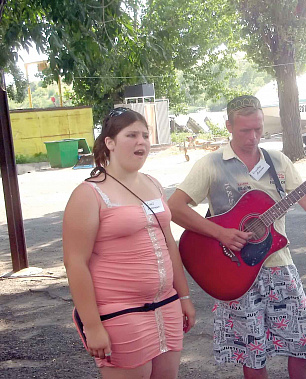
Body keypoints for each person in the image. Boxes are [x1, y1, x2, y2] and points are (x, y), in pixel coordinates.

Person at [167, 95, 306, 378]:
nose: (253, 137)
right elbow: (175, 208)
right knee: (254, 356)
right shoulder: (212, 164)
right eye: (245, 130)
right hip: (235, 271)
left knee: (302, 347)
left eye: (258, 129)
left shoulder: (277, 161)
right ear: (228, 126)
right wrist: (222, 233)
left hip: (279, 265)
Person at [63, 107, 196, 378]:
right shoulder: (89, 194)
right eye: (131, 135)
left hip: (166, 305)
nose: (142, 142)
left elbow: (169, 243)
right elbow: (75, 262)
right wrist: (93, 326)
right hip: (120, 313)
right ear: (109, 143)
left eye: (145, 135)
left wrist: (183, 296)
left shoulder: (153, 184)